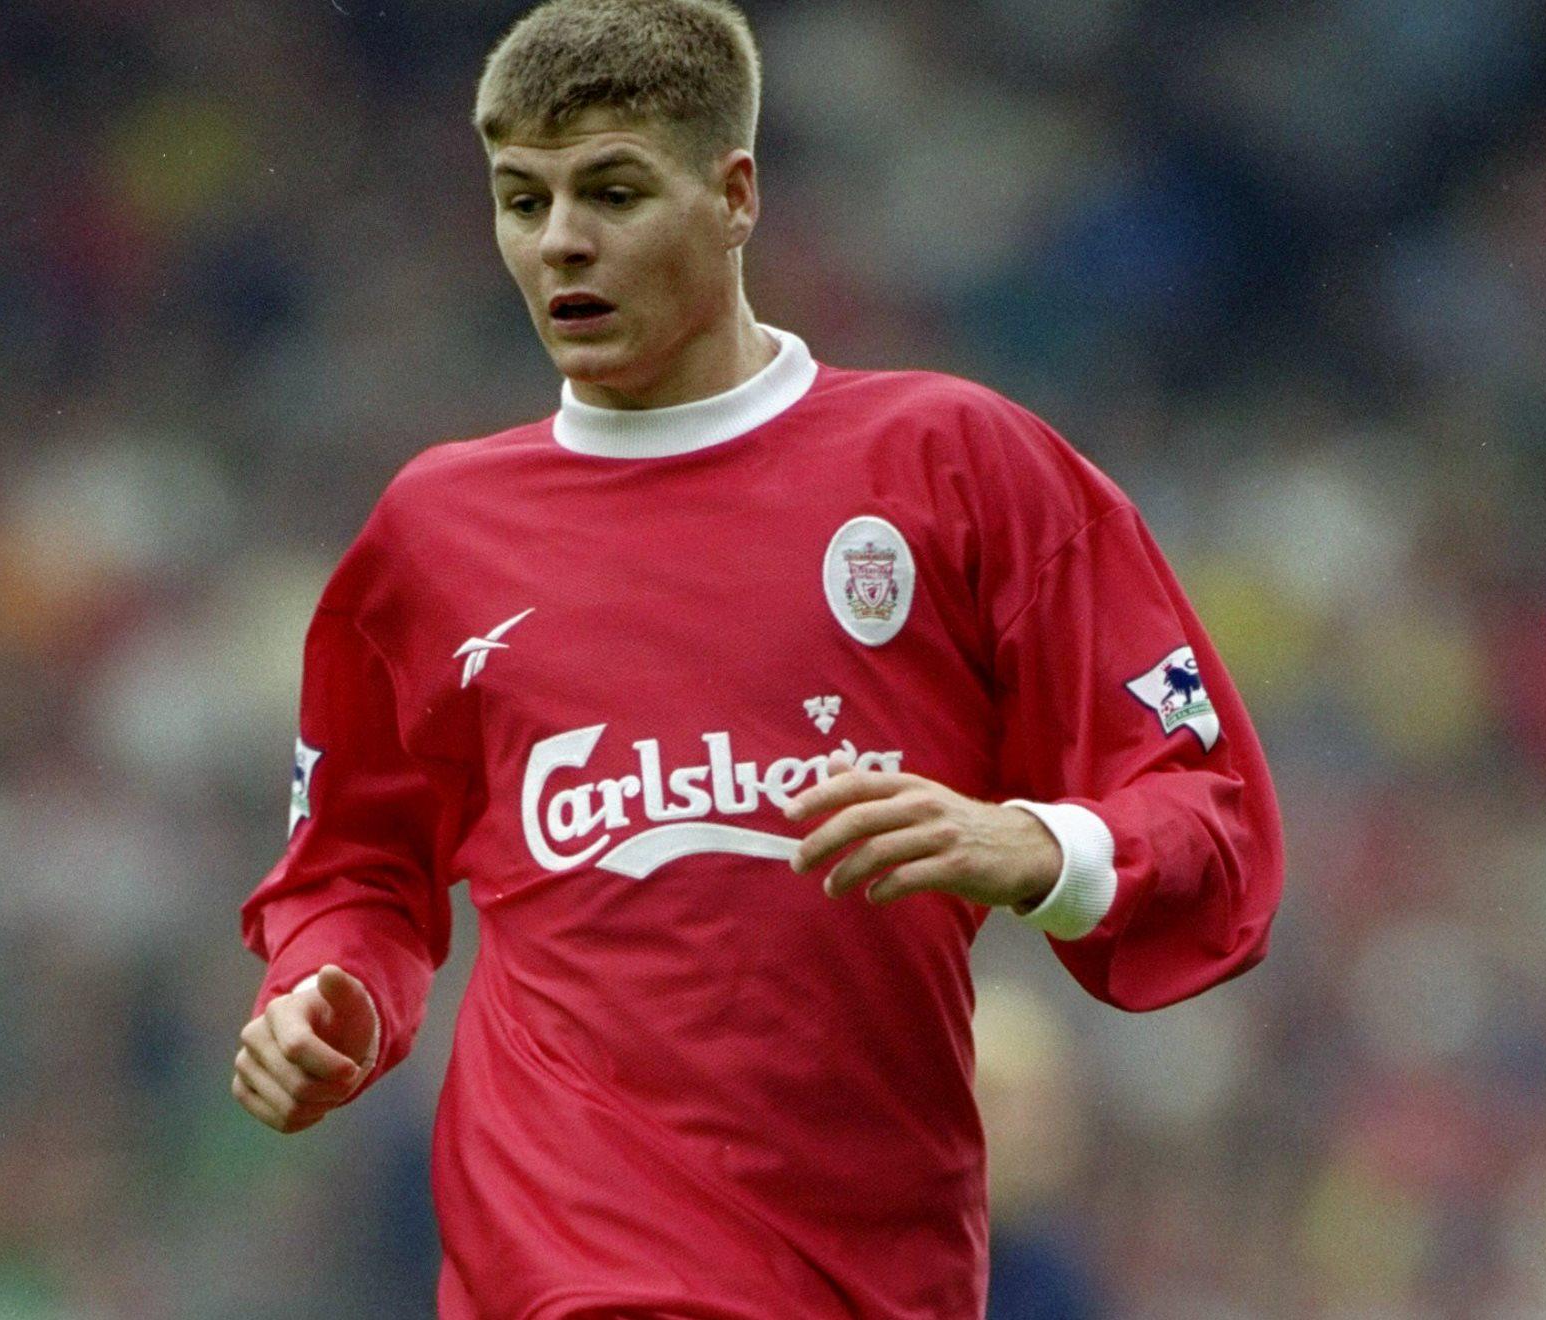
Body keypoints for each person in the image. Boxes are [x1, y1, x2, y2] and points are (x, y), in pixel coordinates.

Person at [233, 1, 1284, 1315]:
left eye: (614, 192)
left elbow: (1213, 820)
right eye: (523, 199)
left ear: (735, 197)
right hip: (560, 1266)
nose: (560, 240)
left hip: (869, 1265)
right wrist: (328, 991)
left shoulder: (955, 467)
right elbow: (355, 867)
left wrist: (1034, 843)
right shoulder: (434, 533)